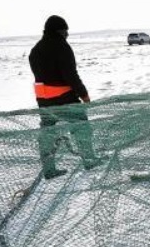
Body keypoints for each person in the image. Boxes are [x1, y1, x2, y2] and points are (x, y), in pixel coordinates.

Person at [29, 15, 100, 179]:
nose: (66, 34)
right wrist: (84, 94)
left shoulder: (35, 50)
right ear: (60, 31)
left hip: (43, 101)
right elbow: (71, 75)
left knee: (48, 134)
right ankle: (89, 160)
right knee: (82, 127)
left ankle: (49, 169)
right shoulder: (61, 47)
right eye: (65, 31)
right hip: (65, 98)